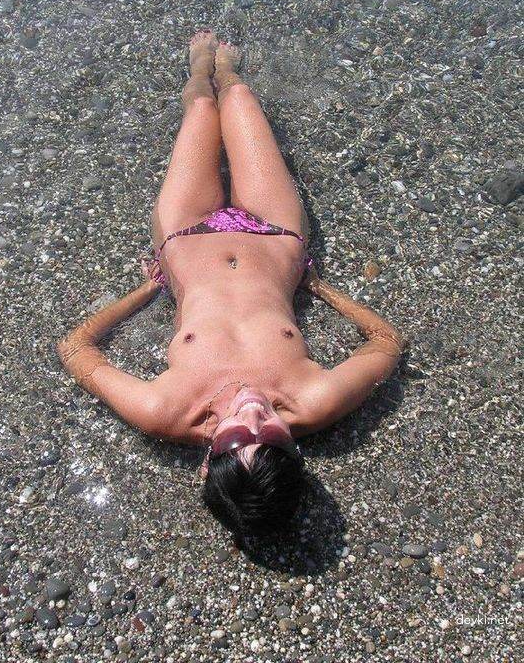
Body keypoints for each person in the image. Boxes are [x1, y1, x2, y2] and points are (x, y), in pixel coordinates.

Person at [56, 30, 408, 543]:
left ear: (207, 461)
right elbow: (388, 342)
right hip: (275, 231)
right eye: (274, 439)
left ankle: (200, 70)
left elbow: (75, 349)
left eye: (239, 437)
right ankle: (227, 72)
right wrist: (320, 288)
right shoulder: (314, 399)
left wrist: (144, 293)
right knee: (240, 95)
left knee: (202, 109)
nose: (254, 413)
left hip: (185, 233)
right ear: (294, 453)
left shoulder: (164, 410)